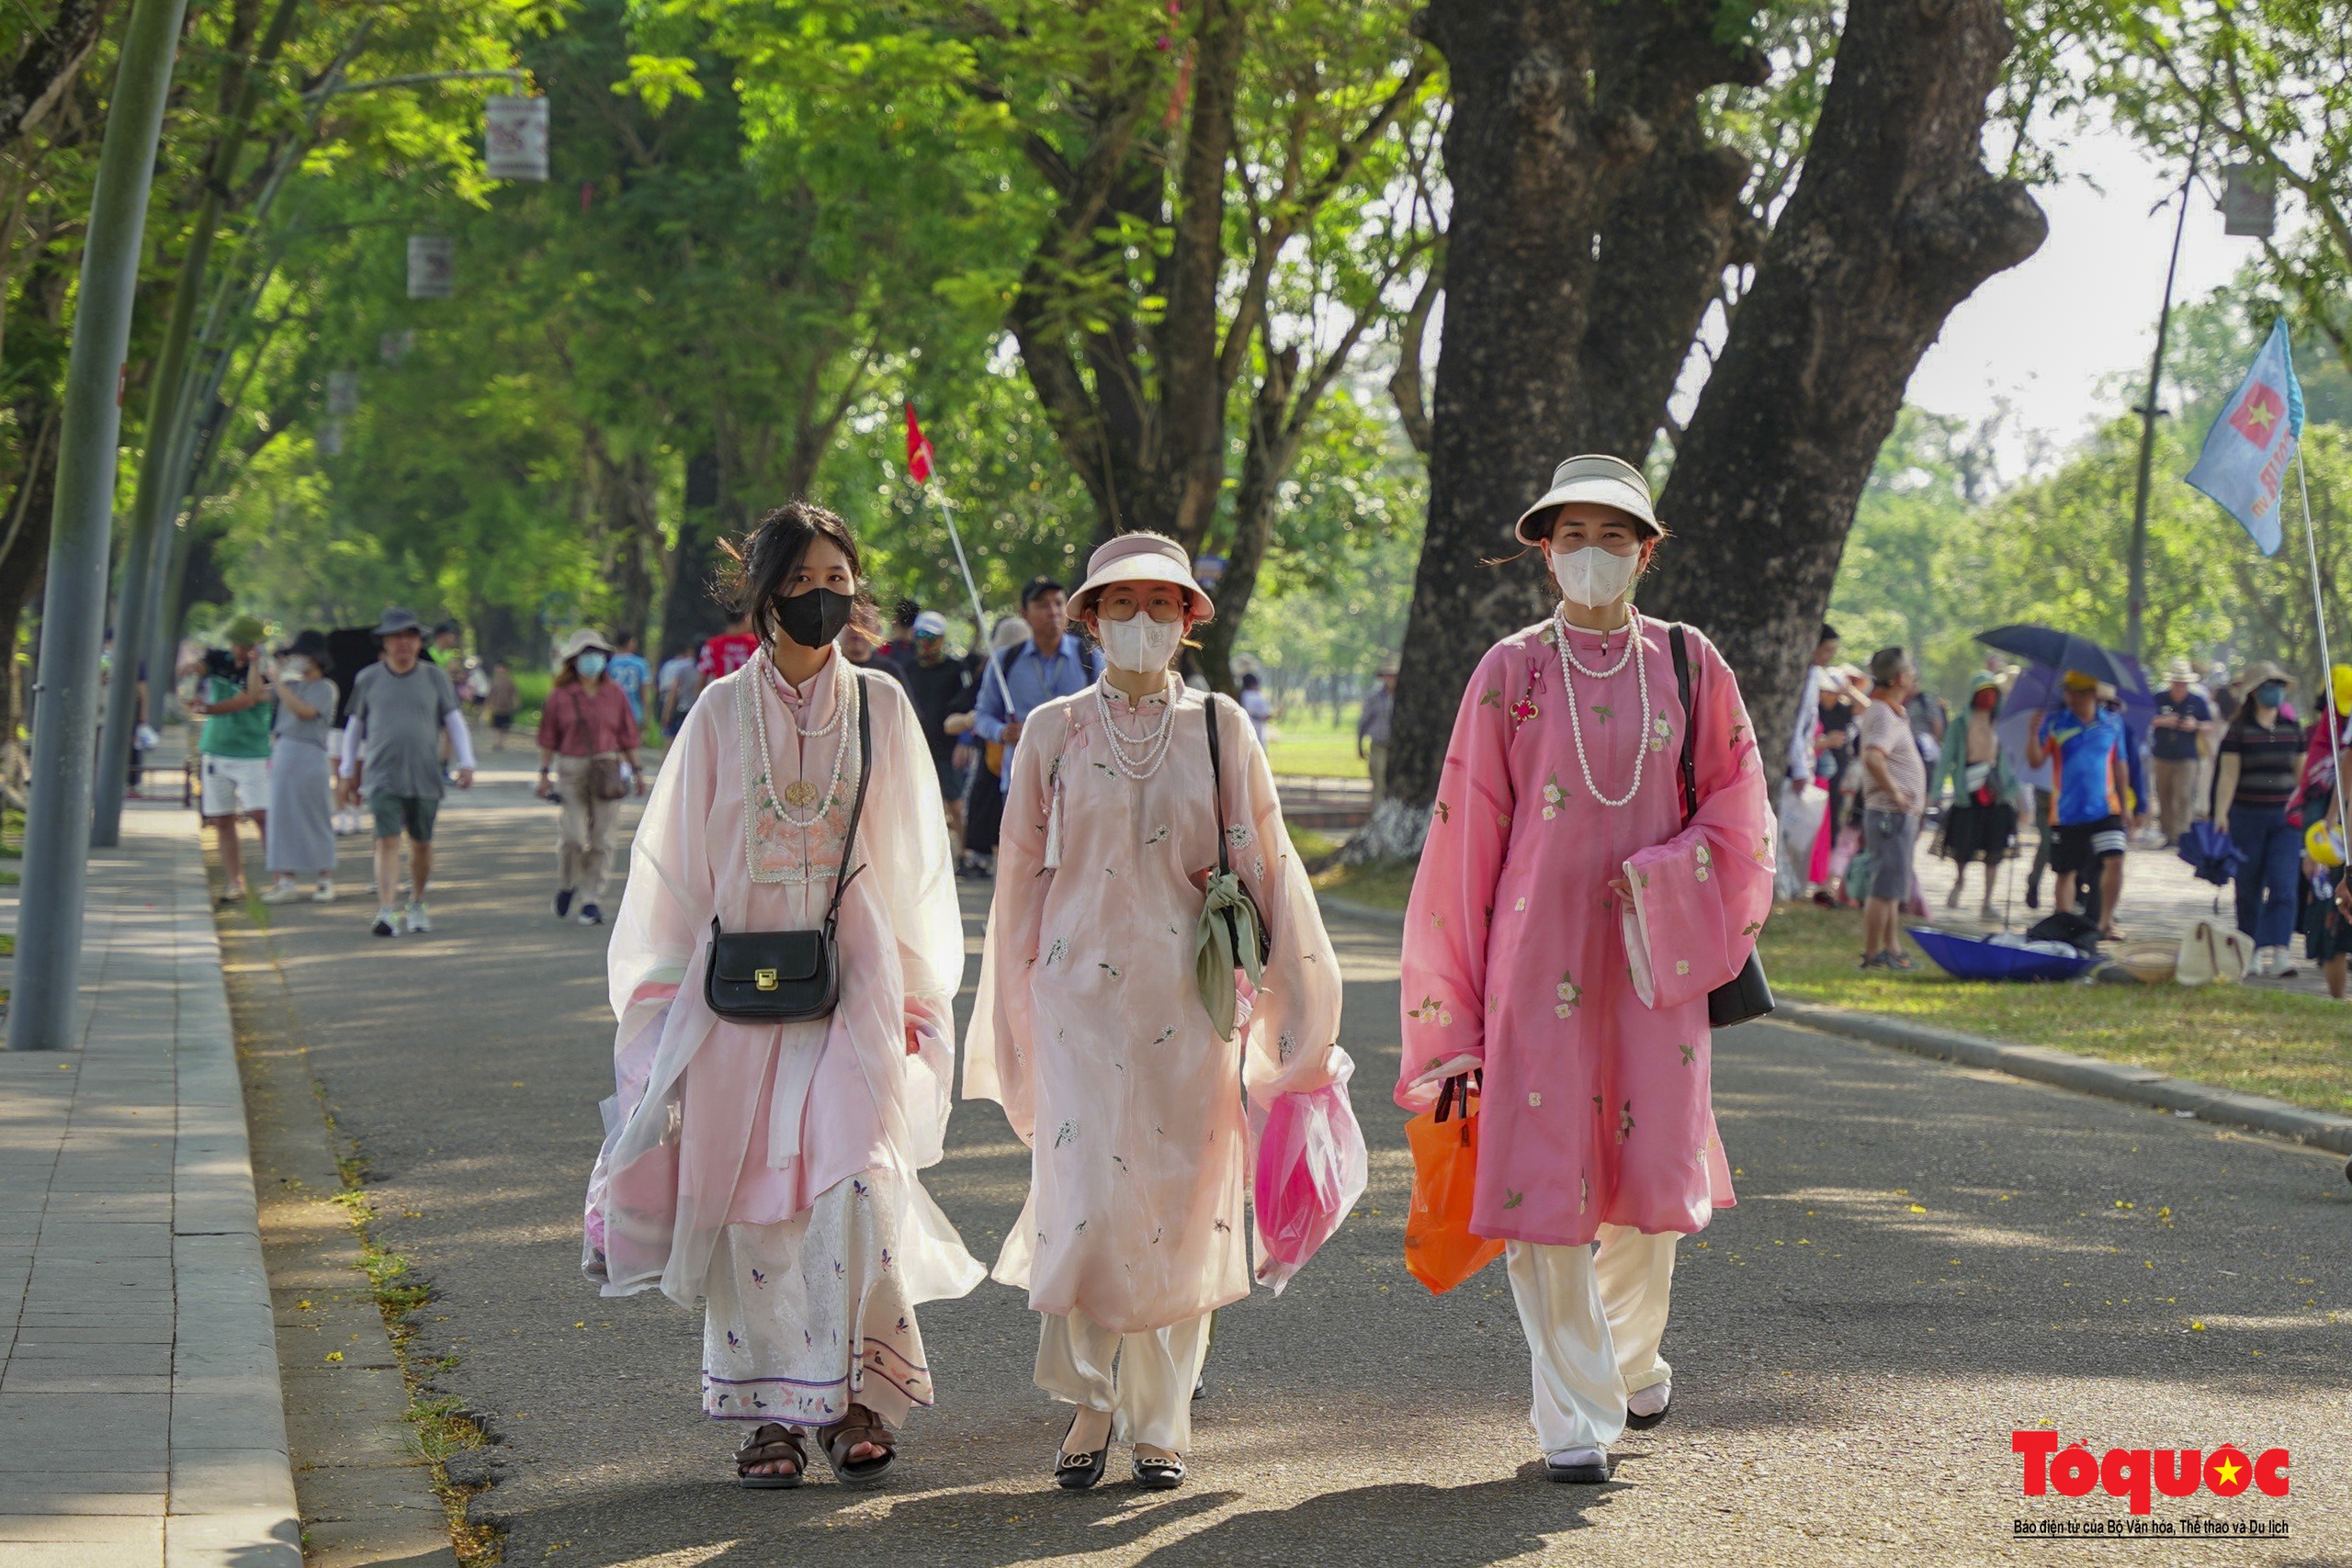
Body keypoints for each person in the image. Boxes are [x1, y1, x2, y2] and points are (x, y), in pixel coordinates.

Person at [583, 500, 981, 1488]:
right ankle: (768, 1417)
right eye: (799, 584)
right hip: (735, 1002)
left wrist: (923, 1002)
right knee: (755, 1204)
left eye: (834, 583)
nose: (820, 601)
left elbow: (918, 867)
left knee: (857, 1184)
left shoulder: (883, 706)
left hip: (856, 991)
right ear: (763, 598)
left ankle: (855, 1400)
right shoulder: (719, 713)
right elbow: (671, 875)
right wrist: (656, 1020)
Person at [1396, 454, 1770, 1484]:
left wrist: (1662, 877)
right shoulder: (1508, 671)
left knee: (1648, 1193)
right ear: (1544, 553)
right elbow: (1460, 841)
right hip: (1535, 965)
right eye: (1571, 538)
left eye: (1613, 537)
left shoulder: (1693, 663)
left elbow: (1741, 809)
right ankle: (1570, 1415)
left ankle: (1632, 1356)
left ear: (1646, 551)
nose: (1591, 556)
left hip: (1656, 964)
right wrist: (1455, 1011)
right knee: (1540, 1189)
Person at [965, 533, 1346, 1494]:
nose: (1143, 622)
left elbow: (1268, 863)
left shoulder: (1220, 727)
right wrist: (1010, 1009)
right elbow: (1017, 879)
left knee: (1181, 1204)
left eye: (1163, 605)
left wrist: (1303, 999)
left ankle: (1161, 1417)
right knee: (1086, 1199)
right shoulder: (1049, 730)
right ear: (1089, 618)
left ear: (1188, 621)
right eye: (1122, 603)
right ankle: (1093, 1397)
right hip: (1074, 1001)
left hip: (1192, 1000)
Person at [339, 606, 476, 937]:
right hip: (382, 774)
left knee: (421, 844)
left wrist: (467, 762)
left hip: (424, 774)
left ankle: (416, 902)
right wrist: (346, 771)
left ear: (419, 642)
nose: (403, 643)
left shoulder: (434, 678)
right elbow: (354, 727)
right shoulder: (368, 678)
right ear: (384, 643)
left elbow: (454, 721)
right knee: (386, 839)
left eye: (410, 636)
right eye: (395, 637)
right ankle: (386, 911)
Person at [537, 629, 645, 927]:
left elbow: (627, 735)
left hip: (607, 769)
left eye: (597, 654)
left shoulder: (615, 694)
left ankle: (591, 899)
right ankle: (567, 883)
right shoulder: (560, 696)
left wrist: (637, 771)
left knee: (602, 839)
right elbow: (548, 737)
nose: (592, 660)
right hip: (571, 770)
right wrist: (544, 773)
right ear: (574, 660)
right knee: (573, 836)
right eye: (586, 654)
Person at [2212, 660, 2306, 976]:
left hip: (2285, 821)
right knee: (2249, 885)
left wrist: (2303, 809)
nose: (2276, 691)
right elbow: (2228, 776)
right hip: (2246, 816)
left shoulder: (2293, 729)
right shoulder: (2239, 731)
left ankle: (2280, 951)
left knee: (2284, 885)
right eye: (2269, 685)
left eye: (2279, 685)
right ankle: (2249, 948)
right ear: (2254, 692)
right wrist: (2221, 814)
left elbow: (2301, 776)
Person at [970, 576, 1102, 794]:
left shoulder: (1090, 657)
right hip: (1021, 783)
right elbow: (982, 716)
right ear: (1025, 615)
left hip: (1079, 783)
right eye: (1042, 605)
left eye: (1059, 603)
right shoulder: (1005, 661)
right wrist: (1002, 732)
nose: (1053, 611)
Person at [2026, 671, 2132, 939]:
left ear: (2092, 695)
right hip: (2066, 812)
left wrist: (2128, 805)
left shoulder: (2112, 724)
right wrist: (2032, 733)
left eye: (2078, 691)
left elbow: (2120, 765)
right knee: (2065, 872)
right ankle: (2066, 928)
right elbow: (2036, 762)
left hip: (2106, 808)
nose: (2071, 697)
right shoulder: (2056, 724)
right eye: (2068, 691)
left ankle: (2106, 922)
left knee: (2115, 861)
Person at [187, 615, 274, 904]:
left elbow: (249, 698)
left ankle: (279, 877)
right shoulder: (218, 660)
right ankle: (235, 881)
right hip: (216, 749)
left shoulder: (265, 672)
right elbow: (197, 668)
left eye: (246, 645)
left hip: (251, 753)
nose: (238, 649)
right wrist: (187, 672)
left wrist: (209, 709)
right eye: (237, 643)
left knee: (261, 815)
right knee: (222, 819)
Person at [1856, 647, 1926, 969]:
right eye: (1910, 670)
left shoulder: (1891, 711)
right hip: (1889, 813)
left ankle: (1891, 947)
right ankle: (1874, 954)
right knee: (1884, 887)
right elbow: (1873, 757)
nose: (1913, 675)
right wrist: (1896, 793)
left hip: (1896, 814)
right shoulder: (1883, 713)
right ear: (1899, 677)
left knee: (1892, 886)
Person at [1935, 671, 2022, 919]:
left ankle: (1987, 900)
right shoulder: (1961, 723)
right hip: (1968, 794)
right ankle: (1959, 881)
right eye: (1982, 693)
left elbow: (2015, 760)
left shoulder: (2004, 724)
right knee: (1962, 845)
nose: (1987, 698)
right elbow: (1947, 758)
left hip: (1997, 793)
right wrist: (1937, 790)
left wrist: (2014, 791)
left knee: (1995, 850)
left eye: (1991, 693)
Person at [259, 631, 338, 906]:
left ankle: (325, 879)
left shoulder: (326, 688)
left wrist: (279, 684)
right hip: (284, 751)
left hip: (310, 754)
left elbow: (304, 712)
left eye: (301, 655)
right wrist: (256, 665)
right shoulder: (289, 685)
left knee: (315, 815)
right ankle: (285, 880)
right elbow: (256, 695)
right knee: (282, 816)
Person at [2291, 665, 2352, 1000]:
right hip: (2334, 844)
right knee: (2334, 913)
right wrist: (2330, 824)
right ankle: (2338, 1001)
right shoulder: (2323, 746)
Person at [956, 616, 1031, 876]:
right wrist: (994, 731)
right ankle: (981, 856)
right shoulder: (993, 668)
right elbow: (977, 710)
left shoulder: (1035, 668)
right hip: (993, 751)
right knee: (985, 803)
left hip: (1030, 756)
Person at [896, 610, 978, 810]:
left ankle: (965, 842)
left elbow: (969, 707)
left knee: (956, 803)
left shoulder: (957, 669)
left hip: (949, 750)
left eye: (930, 637)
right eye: (920, 636)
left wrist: (965, 740)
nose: (924, 642)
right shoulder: (907, 669)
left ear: (941, 639)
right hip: (917, 745)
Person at [2149, 657, 2212, 844]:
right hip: (2162, 755)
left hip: (2187, 756)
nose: (2180, 686)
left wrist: (2195, 725)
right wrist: (2163, 721)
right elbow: (2148, 719)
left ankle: (2182, 835)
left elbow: (2210, 726)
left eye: (2183, 683)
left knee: (2183, 795)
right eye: (2177, 682)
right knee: (2164, 794)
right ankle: (2168, 834)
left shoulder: (2198, 701)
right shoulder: (2159, 698)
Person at [1358, 656, 1397, 799]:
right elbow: (1363, 722)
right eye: (1388, 676)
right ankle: (1378, 814)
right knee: (1379, 782)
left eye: (1393, 676)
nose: (1391, 679)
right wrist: (1359, 745)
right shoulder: (1374, 698)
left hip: (1398, 747)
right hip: (1379, 745)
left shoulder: (1404, 698)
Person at [700, 609, 762, 690]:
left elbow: (702, 678)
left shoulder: (712, 645)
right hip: (749, 695)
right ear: (746, 618)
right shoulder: (757, 643)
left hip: (722, 695)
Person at [606, 632, 652, 728]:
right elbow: (644, 691)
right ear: (630, 642)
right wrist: (647, 714)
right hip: (635, 711)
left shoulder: (609, 663)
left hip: (612, 711)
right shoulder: (641, 663)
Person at [658, 645, 699, 738]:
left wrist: (666, 713)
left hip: (681, 707)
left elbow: (671, 691)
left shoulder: (672, 666)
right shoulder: (706, 668)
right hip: (697, 709)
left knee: (672, 741)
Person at [486, 661, 519, 750]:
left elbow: (514, 694)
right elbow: (490, 694)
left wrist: (516, 703)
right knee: (497, 727)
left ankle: (502, 742)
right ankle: (497, 743)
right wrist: (488, 704)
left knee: (505, 727)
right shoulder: (494, 682)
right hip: (497, 709)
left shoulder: (510, 683)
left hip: (507, 708)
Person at [1238, 671, 1272, 745]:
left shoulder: (1242, 695)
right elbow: (1267, 715)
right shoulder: (1258, 696)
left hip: (1244, 730)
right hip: (1259, 729)